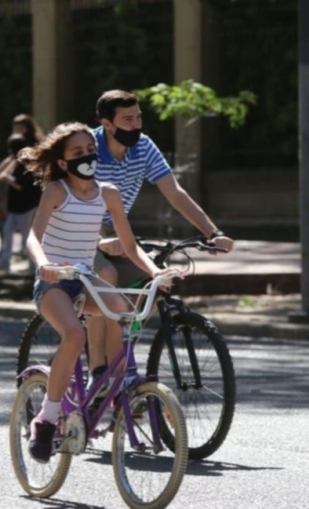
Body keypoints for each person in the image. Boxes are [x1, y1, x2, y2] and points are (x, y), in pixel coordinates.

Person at [20, 122, 175, 463]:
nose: (86, 157)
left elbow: (131, 247)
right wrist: (44, 263)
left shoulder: (109, 193)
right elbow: (33, 236)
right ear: (62, 162)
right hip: (55, 281)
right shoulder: (57, 191)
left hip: (87, 279)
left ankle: (120, 390)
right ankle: (46, 419)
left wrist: (156, 272)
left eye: (90, 151)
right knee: (74, 334)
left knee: (122, 314)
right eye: (77, 153)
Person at [85, 89, 235, 391]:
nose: (137, 124)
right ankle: (98, 371)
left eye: (139, 116)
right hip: (82, 232)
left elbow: (175, 193)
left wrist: (212, 233)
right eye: (128, 119)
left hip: (118, 232)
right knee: (107, 277)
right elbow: (79, 198)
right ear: (107, 124)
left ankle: (118, 352)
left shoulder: (143, 147)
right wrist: (103, 238)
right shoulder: (87, 147)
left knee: (156, 282)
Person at [0, 114, 45, 272]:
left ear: (26, 128)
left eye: (18, 127)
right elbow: (10, 161)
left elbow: (20, 178)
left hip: (27, 200)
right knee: (8, 230)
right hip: (17, 202)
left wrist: (4, 177)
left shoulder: (30, 149)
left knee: (28, 235)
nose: (15, 130)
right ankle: (4, 262)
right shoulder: (18, 147)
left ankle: (34, 265)